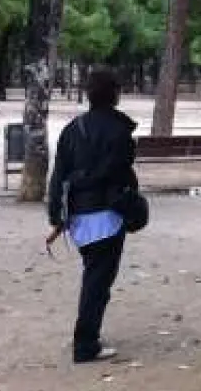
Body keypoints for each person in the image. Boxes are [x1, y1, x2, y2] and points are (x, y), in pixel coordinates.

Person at [46, 70, 138, 364]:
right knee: (97, 283)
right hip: (108, 216)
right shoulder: (120, 132)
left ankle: (88, 336)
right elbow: (121, 174)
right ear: (115, 93)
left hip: (79, 217)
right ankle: (85, 344)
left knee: (94, 276)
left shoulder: (73, 129)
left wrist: (56, 216)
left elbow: (58, 175)